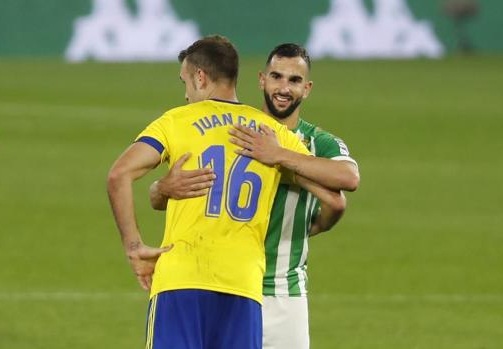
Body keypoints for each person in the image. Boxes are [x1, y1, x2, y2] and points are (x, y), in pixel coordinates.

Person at [106, 35, 314, 349]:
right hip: (243, 287)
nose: (187, 94)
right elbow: (332, 186)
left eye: (185, 82)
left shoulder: (176, 121)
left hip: (181, 281)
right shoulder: (270, 133)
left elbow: (118, 175)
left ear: (200, 77)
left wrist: (134, 247)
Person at [150, 43, 360, 349]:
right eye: (276, 77)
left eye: (294, 80)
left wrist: (279, 157)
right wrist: (159, 188)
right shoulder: (235, 128)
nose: (283, 88)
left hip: (284, 291)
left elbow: (347, 181)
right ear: (262, 79)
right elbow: (171, 189)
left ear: (307, 88)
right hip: (229, 284)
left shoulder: (320, 143)